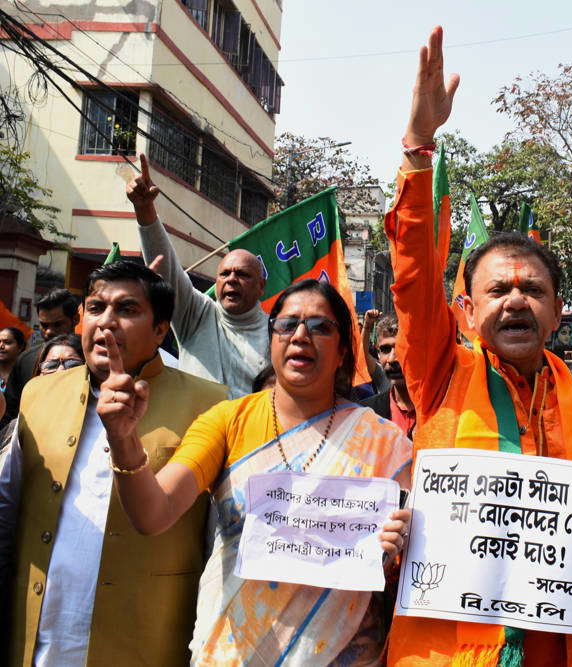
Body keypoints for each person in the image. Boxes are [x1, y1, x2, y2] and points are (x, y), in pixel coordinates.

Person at [384, 27, 572, 666]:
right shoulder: (439, 372)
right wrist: (418, 147)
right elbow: (411, 275)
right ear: (468, 309)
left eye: (533, 290)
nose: (515, 301)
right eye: (499, 290)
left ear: (557, 312)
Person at [99, 278, 413, 664]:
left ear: (343, 350)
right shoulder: (228, 420)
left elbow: (411, 561)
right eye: (286, 324)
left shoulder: (382, 440)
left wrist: (398, 542)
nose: (300, 335)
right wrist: (124, 440)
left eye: (320, 327)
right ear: (271, 339)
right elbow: (153, 513)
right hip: (233, 651)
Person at [0, 260, 227, 665]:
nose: (106, 323)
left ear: (161, 329)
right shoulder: (38, 393)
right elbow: (7, 508)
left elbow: (218, 539)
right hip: (38, 638)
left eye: (127, 310)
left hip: (147, 638)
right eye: (96, 308)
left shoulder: (209, 404)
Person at [126, 154, 269, 398]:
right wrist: (144, 208)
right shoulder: (196, 315)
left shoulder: (277, 332)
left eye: (242, 274)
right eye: (224, 274)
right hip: (195, 434)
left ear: (261, 287)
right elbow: (168, 267)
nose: (231, 279)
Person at [2, 289, 79, 424]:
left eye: (58, 324)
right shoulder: (26, 360)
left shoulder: (91, 358)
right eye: (44, 325)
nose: (49, 331)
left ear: (75, 320)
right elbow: (10, 412)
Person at [360, 314, 416, 438]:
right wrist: (367, 326)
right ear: (378, 354)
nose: (392, 359)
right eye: (385, 349)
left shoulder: (439, 411)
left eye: (401, 348)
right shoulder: (366, 413)